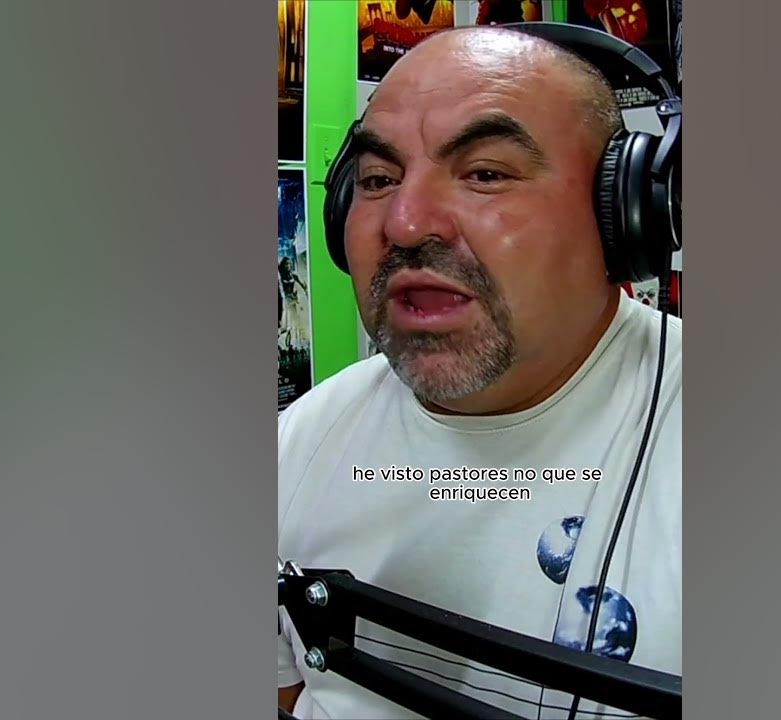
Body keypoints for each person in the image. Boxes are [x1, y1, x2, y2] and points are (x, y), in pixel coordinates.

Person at [278, 25, 681, 719]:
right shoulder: (298, 442)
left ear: (626, 215)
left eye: (486, 174)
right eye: (377, 181)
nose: (406, 224)